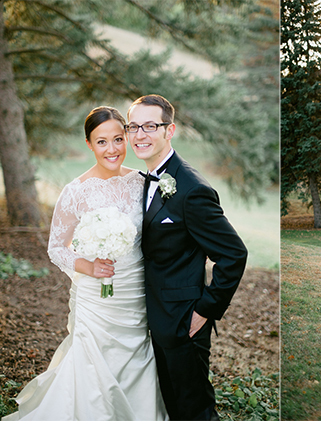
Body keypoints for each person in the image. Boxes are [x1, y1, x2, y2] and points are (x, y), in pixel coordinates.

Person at [3, 107, 168, 420]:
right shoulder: (75, 192)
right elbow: (56, 247)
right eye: (102, 142)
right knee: (93, 362)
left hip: (136, 292)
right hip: (97, 298)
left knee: (138, 357)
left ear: (127, 138)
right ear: (89, 145)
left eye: (118, 139)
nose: (112, 149)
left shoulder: (143, 183)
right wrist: (88, 267)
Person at [127, 94, 248, 421]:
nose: (140, 134)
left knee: (194, 412)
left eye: (150, 126)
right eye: (134, 126)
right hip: (154, 318)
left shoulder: (192, 188)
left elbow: (233, 254)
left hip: (183, 322)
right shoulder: (141, 181)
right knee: (172, 409)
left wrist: (204, 311)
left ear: (170, 130)